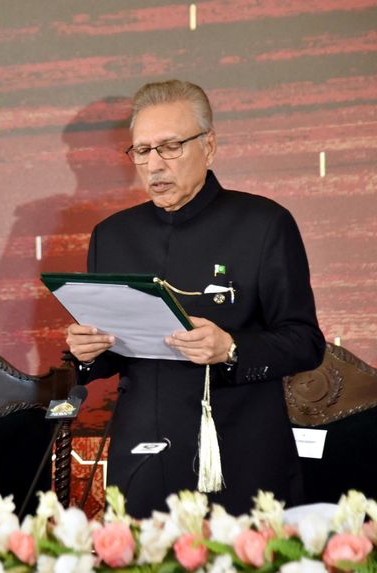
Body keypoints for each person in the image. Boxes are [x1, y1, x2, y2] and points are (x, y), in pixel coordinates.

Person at [65, 80, 325, 517]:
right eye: (142, 151)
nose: (154, 165)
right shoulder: (112, 235)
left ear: (209, 146)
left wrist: (231, 347)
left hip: (238, 449)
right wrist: (88, 353)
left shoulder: (263, 224)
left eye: (169, 147)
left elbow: (305, 341)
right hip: (143, 450)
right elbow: (113, 352)